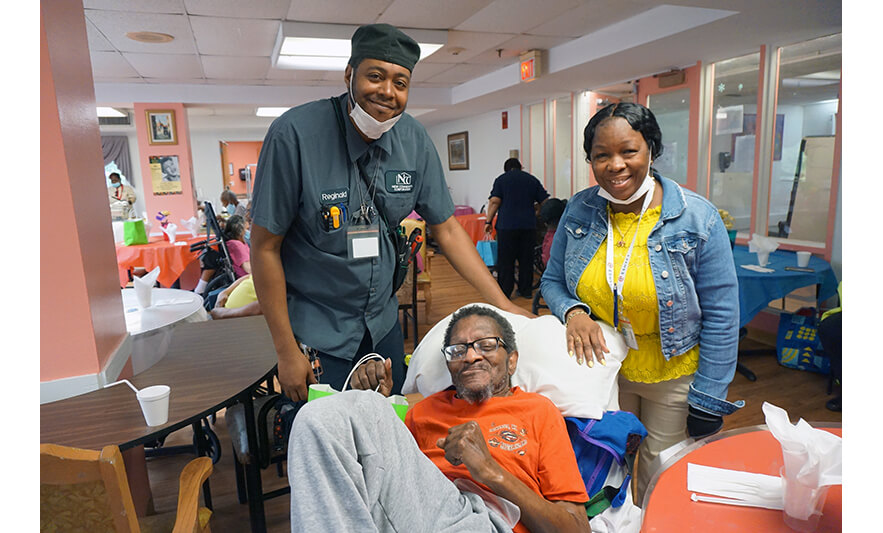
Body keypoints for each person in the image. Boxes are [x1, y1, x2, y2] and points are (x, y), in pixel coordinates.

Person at [249, 23, 531, 402]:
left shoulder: (413, 140)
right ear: (350, 74)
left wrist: (504, 304)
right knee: (330, 441)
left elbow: (445, 228)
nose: (387, 91)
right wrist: (286, 351)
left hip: (383, 325)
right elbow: (264, 247)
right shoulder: (295, 136)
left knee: (390, 426)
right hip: (318, 331)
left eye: (401, 82)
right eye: (375, 76)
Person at [540, 102, 743, 500]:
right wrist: (573, 311)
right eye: (601, 155)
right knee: (604, 464)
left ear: (651, 149)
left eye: (628, 151)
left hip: (672, 371)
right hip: (598, 367)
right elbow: (552, 280)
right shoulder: (580, 210)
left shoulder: (696, 218)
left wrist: (709, 396)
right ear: (590, 160)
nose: (615, 165)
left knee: (658, 473)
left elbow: (722, 312)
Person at [287, 305, 590, 533]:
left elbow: (576, 528)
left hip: (487, 522)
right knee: (318, 417)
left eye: (486, 345)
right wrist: (379, 409)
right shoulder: (423, 411)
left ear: (512, 359)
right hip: (417, 515)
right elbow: (389, 477)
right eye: (458, 350)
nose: (471, 356)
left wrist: (489, 471)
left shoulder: (538, 410)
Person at [485, 158, 549, 299]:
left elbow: (495, 201)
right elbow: (544, 201)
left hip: (507, 226)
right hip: (528, 226)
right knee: (526, 259)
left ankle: (505, 291)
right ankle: (525, 291)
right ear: (520, 167)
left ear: (506, 169)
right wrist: (536, 211)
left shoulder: (501, 179)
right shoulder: (531, 180)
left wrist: (488, 221)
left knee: (506, 260)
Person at [195, 214, 250, 299]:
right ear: (240, 230)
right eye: (247, 229)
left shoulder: (236, 242)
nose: (248, 232)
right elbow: (248, 269)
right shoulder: (237, 245)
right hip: (246, 277)